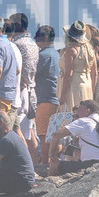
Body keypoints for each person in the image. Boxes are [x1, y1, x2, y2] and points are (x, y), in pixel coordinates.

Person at [46, 99, 99, 173]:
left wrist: (52, 155)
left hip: (93, 164)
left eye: (79, 111)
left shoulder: (83, 121)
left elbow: (57, 134)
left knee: (54, 165)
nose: (77, 114)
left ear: (87, 111)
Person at [56, 21, 97, 133]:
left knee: (71, 117)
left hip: (73, 86)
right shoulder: (90, 51)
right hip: (86, 84)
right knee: (85, 119)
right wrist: (92, 91)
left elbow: (69, 75)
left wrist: (62, 96)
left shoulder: (71, 50)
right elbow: (95, 73)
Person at [7, 14, 39, 146]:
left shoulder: (16, 44)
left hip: (20, 90)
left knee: (19, 130)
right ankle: (34, 163)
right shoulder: (33, 43)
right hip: (31, 90)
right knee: (29, 131)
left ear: (18, 25)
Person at [33, 25, 60, 159]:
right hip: (56, 99)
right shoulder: (57, 54)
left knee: (44, 135)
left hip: (45, 101)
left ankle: (45, 164)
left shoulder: (43, 56)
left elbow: (32, 74)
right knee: (56, 135)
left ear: (44, 37)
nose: (35, 40)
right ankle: (54, 162)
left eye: (37, 37)